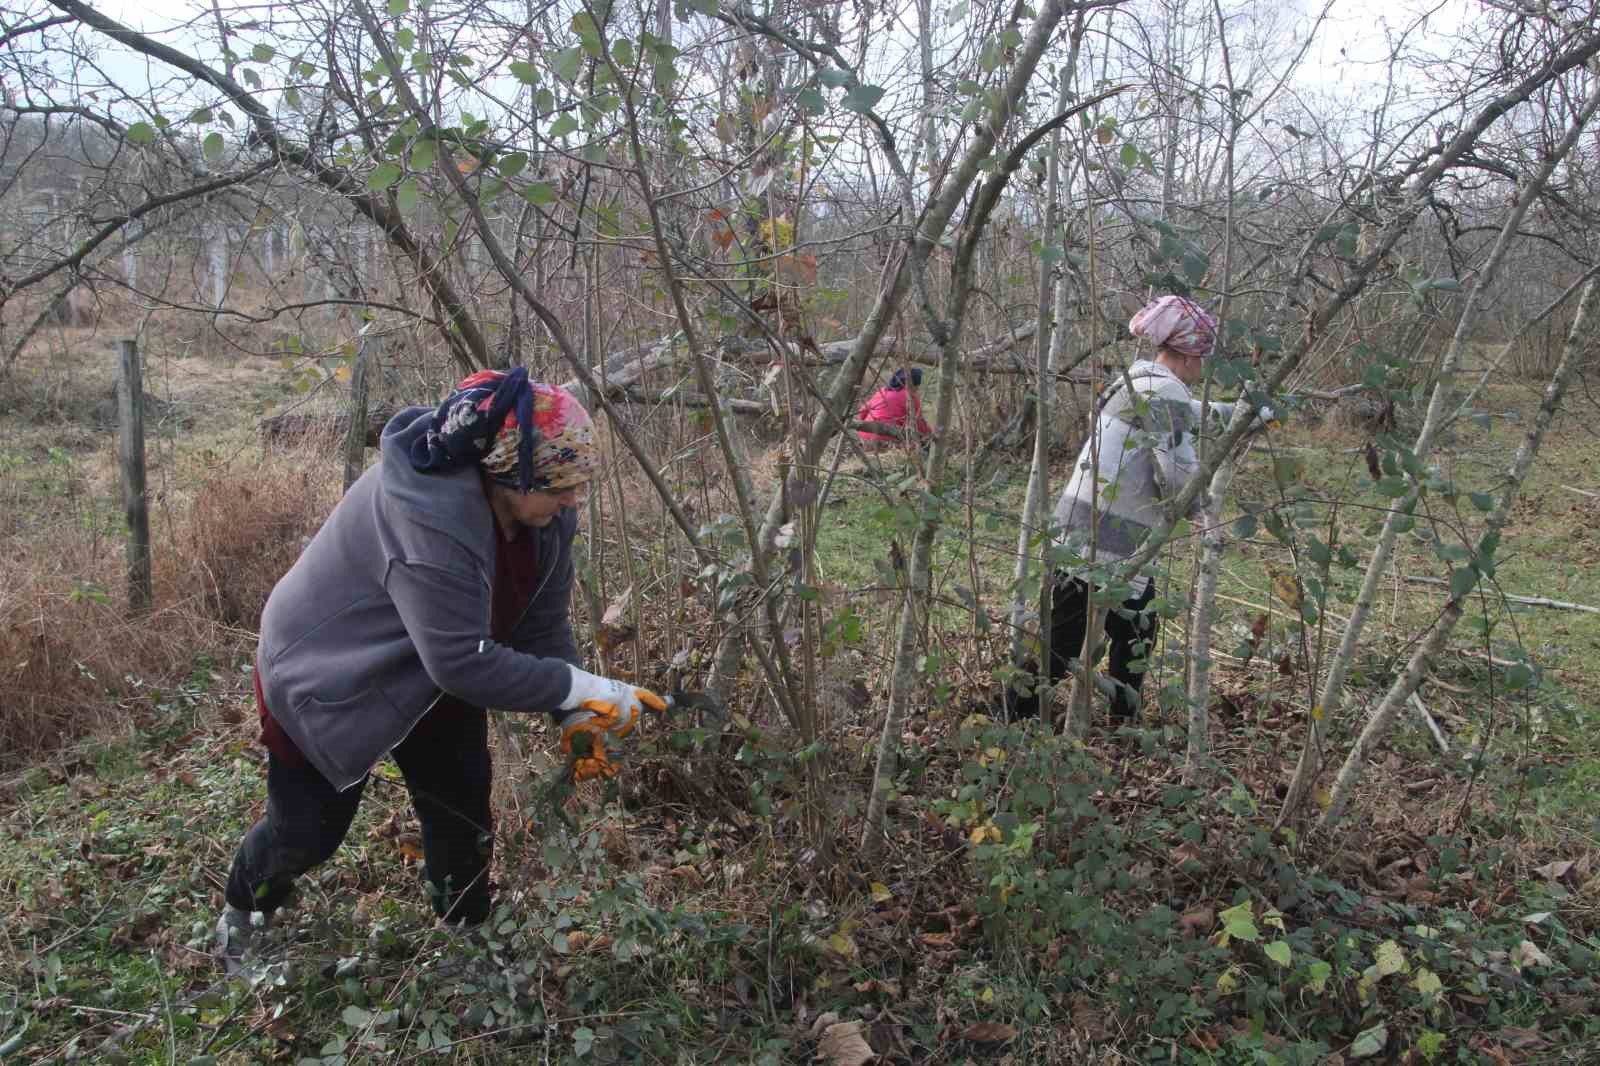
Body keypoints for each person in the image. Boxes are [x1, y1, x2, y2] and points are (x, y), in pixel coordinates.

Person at [215, 368, 665, 972]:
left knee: (461, 806)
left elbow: (541, 626)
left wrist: (576, 708)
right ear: (514, 471)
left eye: (579, 484)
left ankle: (465, 935)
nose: (573, 499)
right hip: (326, 673)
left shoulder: (546, 517)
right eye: (561, 484)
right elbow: (458, 662)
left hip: (435, 665)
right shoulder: (430, 517)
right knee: (308, 831)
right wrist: (582, 685)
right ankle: (244, 914)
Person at [1008, 295, 1273, 723]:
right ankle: (1013, 721)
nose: (1204, 366)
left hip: (1092, 528)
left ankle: (1122, 722)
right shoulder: (1163, 390)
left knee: (1135, 629)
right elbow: (1175, 476)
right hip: (1102, 537)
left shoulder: (1141, 379)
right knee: (1063, 644)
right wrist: (1205, 514)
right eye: (1203, 357)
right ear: (1190, 355)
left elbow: (1190, 415)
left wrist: (1240, 416)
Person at [856, 367, 932, 447]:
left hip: (865, 435)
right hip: (885, 440)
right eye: (917, 385)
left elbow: (862, 413)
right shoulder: (910, 397)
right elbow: (919, 424)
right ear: (913, 385)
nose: (917, 389)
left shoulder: (882, 391)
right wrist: (931, 436)